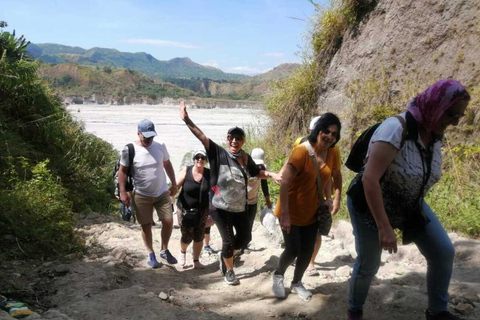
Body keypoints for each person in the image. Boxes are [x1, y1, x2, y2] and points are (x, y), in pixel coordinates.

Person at [346, 79, 470, 320]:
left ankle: (437, 312)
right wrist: (384, 226)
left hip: (409, 203)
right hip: (370, 205)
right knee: (369, 264)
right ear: (436, 105)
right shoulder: (395, 129)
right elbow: (369, 179)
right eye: (452, 114)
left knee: (443, 252)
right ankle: (354, 311)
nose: (455, 122)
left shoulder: (435, 134)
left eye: (460, 116)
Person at [180, 101, 281, 285]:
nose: (234, 141)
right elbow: (202, 137)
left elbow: (256, 172)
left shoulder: (245, 157)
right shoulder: (218, 154)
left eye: (238, 138)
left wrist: (272, 175)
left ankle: (224, 256)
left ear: (243, 141)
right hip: (220, 207)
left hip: (240, 207)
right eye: (231, 138)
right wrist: (187, 120)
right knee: (228, 240)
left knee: (245, 239)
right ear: (227, 140)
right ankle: (230, 270)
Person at [272, 113, 342, 301]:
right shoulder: (301, 151)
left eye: (334, 134)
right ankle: (278, 275)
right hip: (291, 210)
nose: (329, 136)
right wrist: (285, 215)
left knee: (308, 249)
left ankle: (296, 282)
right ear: (318, 130)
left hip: (313, 210)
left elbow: (329, 176)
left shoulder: (333, 152)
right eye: (326, 131)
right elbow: (285, 183)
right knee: (293, 249)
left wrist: (330, 198)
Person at [118, 119, 178, 268]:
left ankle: (164, 249)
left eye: (151, 136)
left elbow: (167, 164)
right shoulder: (129, 149)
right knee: (146, 225)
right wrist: (122, 191)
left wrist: (174, 183)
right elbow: (122, 171)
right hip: (141, 194)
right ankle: (151, 253)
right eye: (145, 136)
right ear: (138, 134)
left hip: (162, 191)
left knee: (168, 221)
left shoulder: (160, 146)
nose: (148, 139)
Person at [176, 150, 210, 269]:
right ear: (194, 159)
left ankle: (196, 260)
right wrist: (169, 193)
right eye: (197, 157)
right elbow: (176, 186)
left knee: (199, 235)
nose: (200, 159)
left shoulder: (209, 174)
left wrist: (221, 199)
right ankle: (183, 251)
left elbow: (216, 189)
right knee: (187, 235)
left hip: (202, 210)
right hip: (184, 208)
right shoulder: (186, 170)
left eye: (202, 157)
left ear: (206, 160)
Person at [241, 148, 273, 254]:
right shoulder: (243, 167)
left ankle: (245, 245)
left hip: (253, 201)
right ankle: (238, 245)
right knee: (240, 224)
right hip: (240, 201)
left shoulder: (263, 168)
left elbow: (264, 185)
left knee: (249, 223)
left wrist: (267, 200)